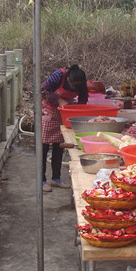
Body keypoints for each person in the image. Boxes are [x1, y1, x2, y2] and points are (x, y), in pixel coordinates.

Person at [39, 64, 88, 192]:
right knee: (43, 146)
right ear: (68, 79)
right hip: (48, 110)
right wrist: (58, 99)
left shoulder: (81, 82)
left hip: (64, 113)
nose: (74, 89)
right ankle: (41, 180)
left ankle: (56, 178)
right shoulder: (59, 75)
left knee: (59, 146)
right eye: (73, 86)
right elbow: (42, 90)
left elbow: (83, 99)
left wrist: (77, 111)